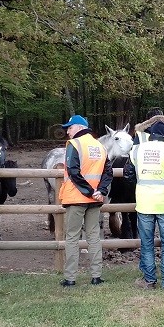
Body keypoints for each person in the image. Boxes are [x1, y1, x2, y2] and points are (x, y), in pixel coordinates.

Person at [124, 121, 164, 290]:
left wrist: (139, 188)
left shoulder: (137, 150)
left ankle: (149, 280)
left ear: (151, 135)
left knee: (146, 243)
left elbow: (128, 175)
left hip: (144, 203)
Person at [58, 114, 113, 287]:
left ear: (80, 128)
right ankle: (96, 276)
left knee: (72, 237)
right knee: (94, 236)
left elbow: (74, 172)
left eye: (70, 127)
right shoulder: (100, 146)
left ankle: (70, 277)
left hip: (77, 197)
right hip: (95, 199)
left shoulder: (74, 144)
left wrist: (90, 192)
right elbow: (108, 172)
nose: (67, 131)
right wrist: (100, 191)